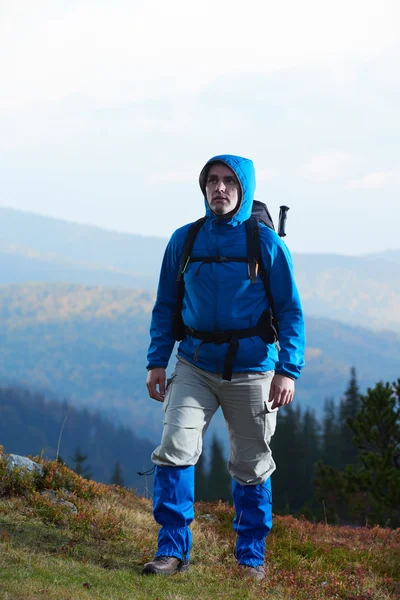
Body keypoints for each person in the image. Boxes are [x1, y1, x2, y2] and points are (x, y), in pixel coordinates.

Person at [142, 154, 305, 580]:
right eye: (212, 181)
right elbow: (166, 305)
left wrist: (288, 370)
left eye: (229, 182)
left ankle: (250, 559)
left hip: (253, 369)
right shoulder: (185, 240)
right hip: (194, 363)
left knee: (251, 465)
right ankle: (172, 551)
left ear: (243, 188)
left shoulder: (266, 243)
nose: (219, 188)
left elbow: (290, 311)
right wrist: (157, 361)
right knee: (174, 450)